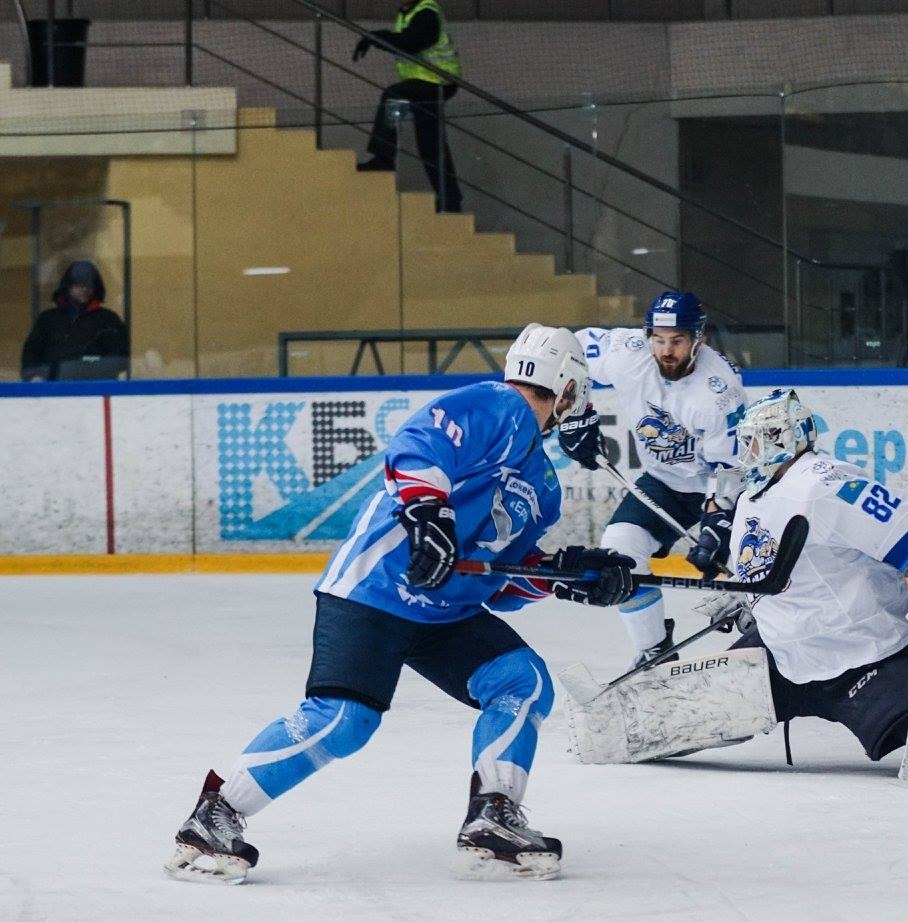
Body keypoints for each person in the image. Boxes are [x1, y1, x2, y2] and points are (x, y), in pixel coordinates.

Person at [164, 324, 637, 885]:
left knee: (521, 680)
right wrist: (428, 511)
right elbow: (419, 443)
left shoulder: (544, 485)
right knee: (345, 719)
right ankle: (214, 816)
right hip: (377, 586)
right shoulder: (499, 406)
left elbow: (499, 582)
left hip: (444, 613)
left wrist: (563, 576)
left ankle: (493, 814)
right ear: (569, 388)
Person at [679, 388, 908, 762]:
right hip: (784, 658)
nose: (746, 453)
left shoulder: (823, 485)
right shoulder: (755, 495)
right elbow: (785, 564)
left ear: (779, 440)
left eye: (752, 442)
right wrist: (749, 596)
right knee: (685, 716)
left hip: (867, 658)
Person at [560, 291, 747, 671]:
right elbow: (566, 352)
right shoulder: (628, 353)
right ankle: (655, 651)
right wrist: (577, 415)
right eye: (658, 339)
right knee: (619, 551)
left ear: (698, 338)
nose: (666, 351)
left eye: (677, 340)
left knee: (751, 569)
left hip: (720, 488)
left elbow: (730, 467)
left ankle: (767, 632)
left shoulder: (719, 390)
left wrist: (717, 523)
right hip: (663, 483)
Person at [353, 0, 463, 213]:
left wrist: (376, 38)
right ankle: (450, 200)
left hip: (437, 81)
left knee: (394, 96)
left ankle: (384, 158)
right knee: (430, 144)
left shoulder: (426, 13)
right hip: (426, 83)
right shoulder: (408, 13)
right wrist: (375, 37)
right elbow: (404, 40)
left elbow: (410, 43)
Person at [19, 260, 128, 381]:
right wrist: (33, 376)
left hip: (95, 388)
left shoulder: (109, 320)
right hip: (52, 388)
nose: (84, 289)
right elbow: (31, 353)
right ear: (68, 287)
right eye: (79, 285)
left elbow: (119, 358)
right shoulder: (47, 319)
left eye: (89, 285)